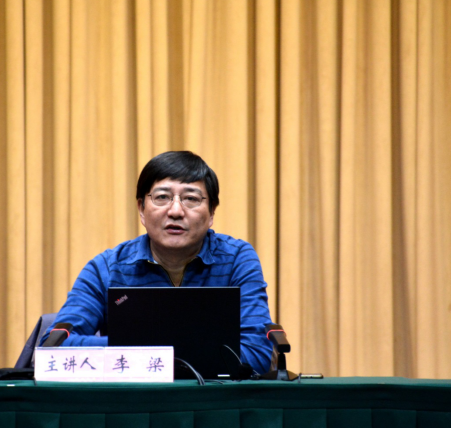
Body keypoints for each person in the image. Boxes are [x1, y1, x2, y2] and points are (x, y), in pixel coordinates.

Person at [39, 151, 274, 374]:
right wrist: (166, 347)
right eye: (162, 197)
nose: (176, 211)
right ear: (141, 209)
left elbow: (258, 354)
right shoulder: (107, 268)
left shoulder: (237, 259)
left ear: (211, 212)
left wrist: (141, 348)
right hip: (136, 399)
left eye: (191, 199)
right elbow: (54, 346)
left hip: (213, 399)